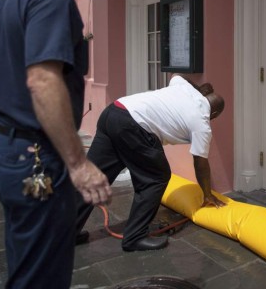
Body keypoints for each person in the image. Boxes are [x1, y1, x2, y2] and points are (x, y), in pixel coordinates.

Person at [0, 0, 112, 289]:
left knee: (26, 258)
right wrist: (78, 163)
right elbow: (43, 80)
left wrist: (4, 136)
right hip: (36, 158)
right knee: (43, 274)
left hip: (5, 149)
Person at [75, 74, 226, 251]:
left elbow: (178, 76)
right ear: (214, 113)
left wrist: (198, 89)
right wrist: (207, 194)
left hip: (113, 112)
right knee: (156, 177)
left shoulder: (184, 88)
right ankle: (134, 237)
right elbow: (200, 163)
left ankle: (68, 232)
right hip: (132, 126)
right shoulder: (202, 122)